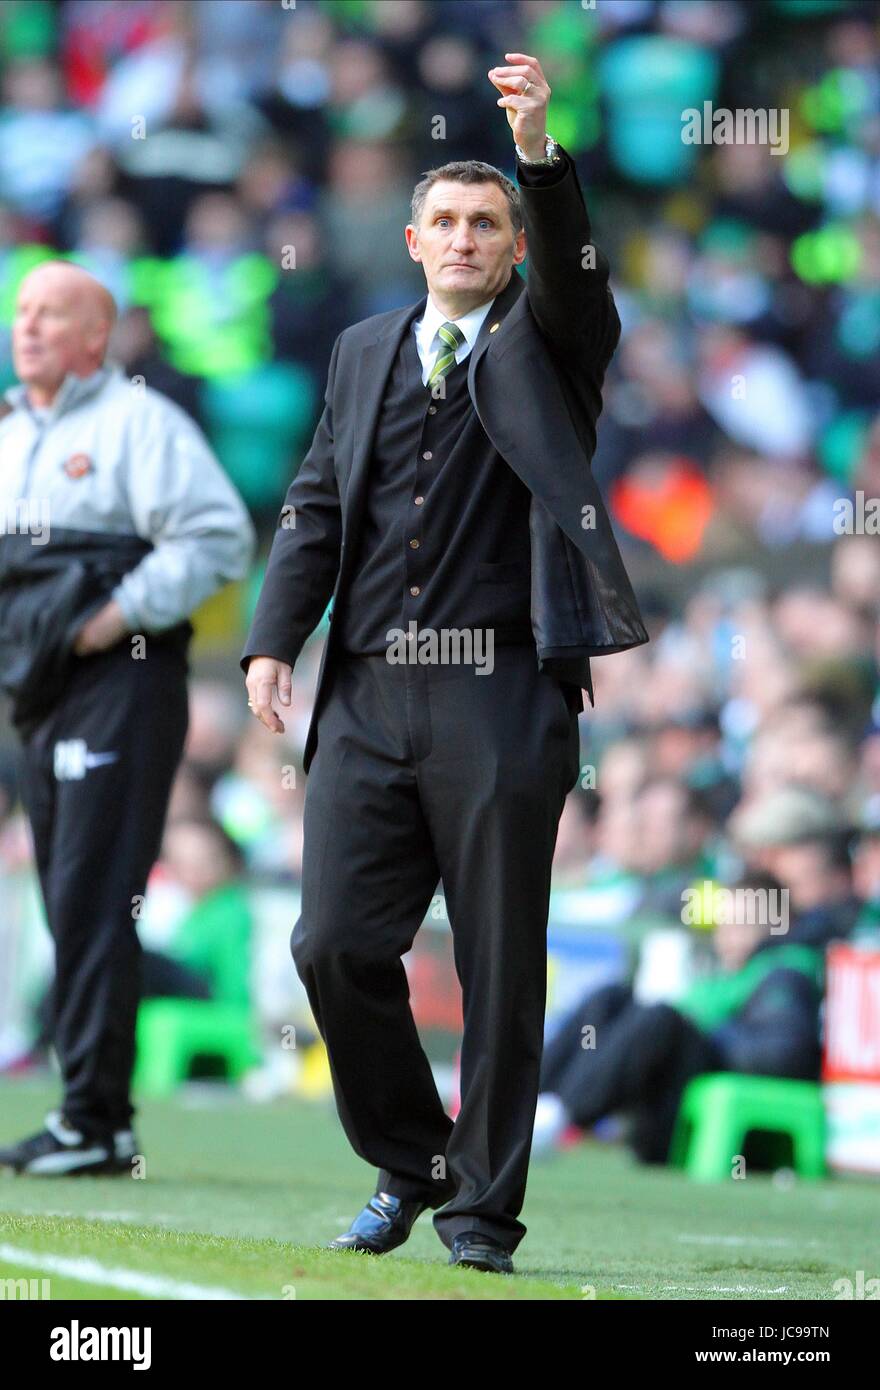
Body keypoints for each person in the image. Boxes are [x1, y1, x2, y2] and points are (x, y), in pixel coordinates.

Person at [242, 53, 648, 1274]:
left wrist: (538, 156)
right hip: (365, 692)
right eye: (447, 223)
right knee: (330, 944)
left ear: (513, 248)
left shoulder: (551, 340)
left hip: (501, 689)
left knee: (495, 962)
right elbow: (315, 505)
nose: (466, 238)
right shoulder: (362, 349)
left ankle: (482, 1213)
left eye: (488, 224)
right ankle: (415, 1156)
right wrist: (272, 639)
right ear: (415, 241)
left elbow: (582, 286)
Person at [0, 261, 255, 1176]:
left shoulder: (139, 424)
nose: (28, 327)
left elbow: (220, 536)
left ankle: (96, 1120)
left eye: (52, 313)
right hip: (44, 696)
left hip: (123, 686)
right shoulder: (7, 434)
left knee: (93, 894)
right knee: (68, 899)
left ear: (98, 337)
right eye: (22, 310)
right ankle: (88, 1117)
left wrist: (110, 620)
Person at [533, 872, 825, 1165]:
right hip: (674, 1091)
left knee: (663, 1019)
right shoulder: (723, 975)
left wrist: (705, 1033)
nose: (728, 934)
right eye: (725, 923)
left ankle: (560, 1115)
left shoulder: (785, 974)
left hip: (715, 1125)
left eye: (742, 924)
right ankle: (532, 1103)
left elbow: (786, 1054)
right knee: (611, 998)